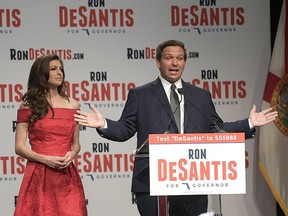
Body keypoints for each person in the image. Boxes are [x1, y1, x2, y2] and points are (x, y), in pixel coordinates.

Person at [74, 39, 278, 216]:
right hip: (152, 181)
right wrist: (104, 124)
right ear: (158, 62)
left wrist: (249, 123)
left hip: (194, 181)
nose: (174, 63)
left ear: (185, 63)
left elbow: (216, 128)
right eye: (168, 57)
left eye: (180, 58)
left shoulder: (200, 96)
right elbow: (125, 129)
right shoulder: (140, 95)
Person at [14, 54, 87, 216]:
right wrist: (45, 159)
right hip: (39, 173)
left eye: (61, 69)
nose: (59, 73)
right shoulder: (28, 105)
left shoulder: (73, 104)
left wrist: (72, 154)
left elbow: (76, 144)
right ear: (41, 74)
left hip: (66, 175)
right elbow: (19, 147)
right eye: (53, 69)